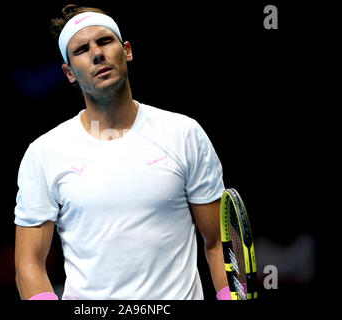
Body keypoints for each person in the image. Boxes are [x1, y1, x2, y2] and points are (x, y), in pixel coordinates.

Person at [14, 4, 230, 300]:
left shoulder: (184, 133)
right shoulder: (44, 153)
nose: (97, 53)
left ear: (126, 50)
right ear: (69, 73)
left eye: (104, 41)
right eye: (81, 50)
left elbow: (218, 242)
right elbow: (29, 264)